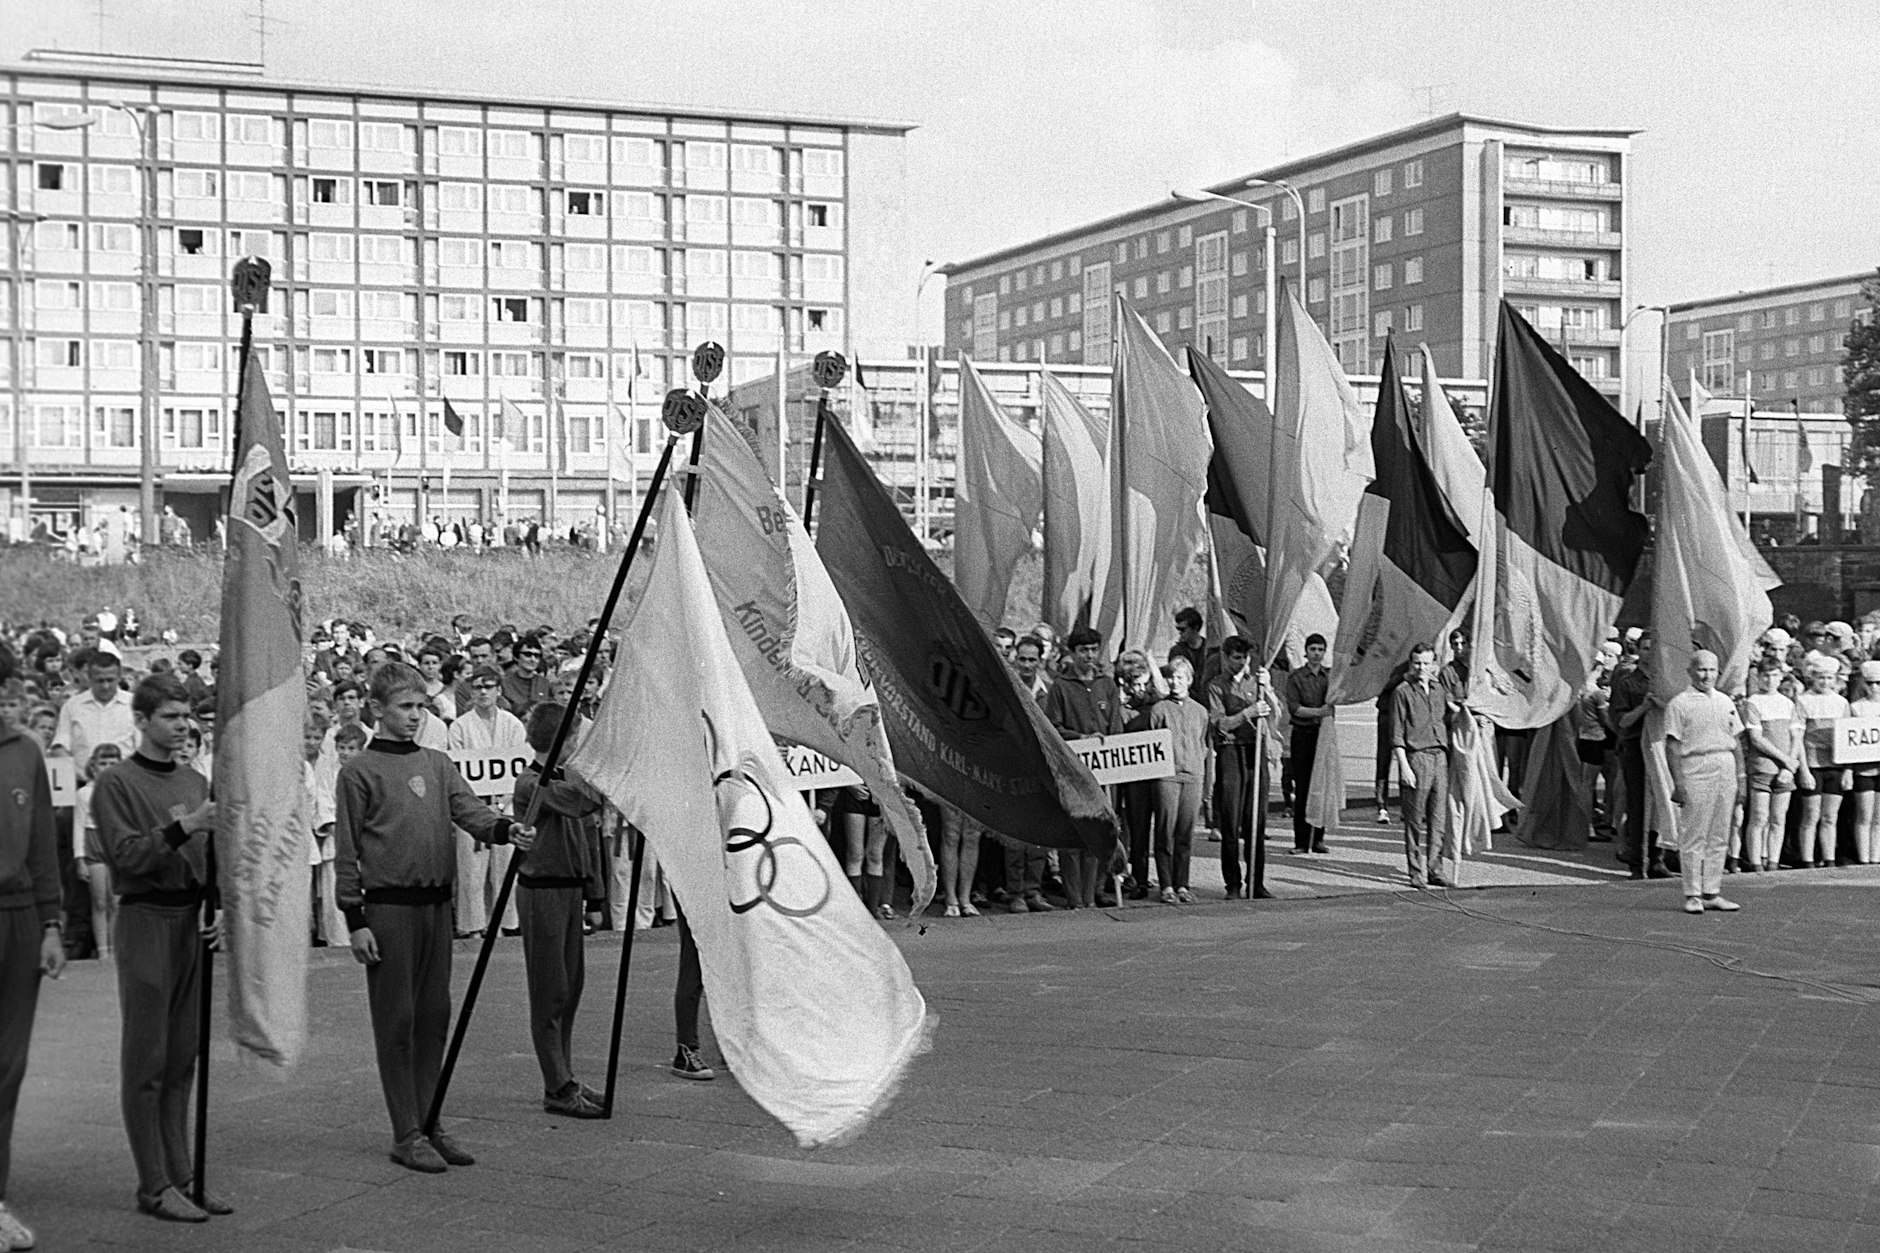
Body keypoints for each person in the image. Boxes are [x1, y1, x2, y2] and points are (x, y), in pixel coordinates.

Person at [334, 662, 535, 1173]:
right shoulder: (358, 770)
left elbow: (470, 811)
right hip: (388, 909)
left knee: (434, 1017)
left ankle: (431, 1118)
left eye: (421, 706)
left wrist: (505, 830)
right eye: (404, 707)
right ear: (377, 710)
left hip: (434, 908)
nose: (415, 716)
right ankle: (405, 1131)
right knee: (396, 1020)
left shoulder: (440, 762)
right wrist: (355, 918)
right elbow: (347, 849)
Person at [90, 673, 223, 1222]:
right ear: (141, 721)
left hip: (190, 921)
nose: (183, 725)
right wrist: (185, 827)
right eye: (170, 716)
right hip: (145, 919)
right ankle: (152, 1184)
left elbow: (211, 851)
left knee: (182, 1055)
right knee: (146, 1058)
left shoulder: (194, 780)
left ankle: (182, 1173)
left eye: (186, 716)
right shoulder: (115, 783)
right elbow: (126, 856)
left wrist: (219, 904)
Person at [513, 703, 608, 1118]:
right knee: (550, 992)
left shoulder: (562, 776)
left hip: (569, 890)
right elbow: (584, 804)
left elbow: (585, 836)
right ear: (563, 742)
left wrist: (594, 894)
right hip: (543, 891)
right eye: (574, 738)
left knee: (570, 988)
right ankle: (556, 1084)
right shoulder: (531, 783)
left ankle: (564, 1073)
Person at [0, 677, 64, 1253]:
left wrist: (50, 925)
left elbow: (43, 843)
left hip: (19, 918)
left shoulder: (25, 752)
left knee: (8, 1065)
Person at [1042, 626, 1123, 909]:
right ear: (1072, 653)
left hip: (1103, 770)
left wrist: (1112, 748)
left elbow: (1116, 725)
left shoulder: (1107, 685)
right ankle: (1074, 899)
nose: (1089, 656)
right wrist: (1081, 739)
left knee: (1096, 835)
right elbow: (1053, 728)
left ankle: (1090, 898)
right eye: (1083, 650)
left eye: (1093, 650)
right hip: (1072, 771)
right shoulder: (1061, 687)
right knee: (1072, 835)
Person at [446, 665, 528, 938]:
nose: (482, 692)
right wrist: (479, 805)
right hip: (473, 807)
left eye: (488, 687)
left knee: (505, 869)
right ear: (470, 691)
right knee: (471, 870)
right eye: (478, 687)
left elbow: (518, 768)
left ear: (498, 691)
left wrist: (504, 800)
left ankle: (506, 924)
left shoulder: (513, 724)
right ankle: (473, 927)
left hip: (507, 804)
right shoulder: (460, 726)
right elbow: (460, 770)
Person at [1664, 651, 1745, 914]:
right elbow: (1673, 745)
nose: (1707, 675)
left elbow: (1737, 742)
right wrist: (1678, 782)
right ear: (1690, 671)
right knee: (1694, 833)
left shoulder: (1725, 701)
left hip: (1725, 764)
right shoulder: (1680, 703)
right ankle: (1693, 893)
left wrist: (1741, 778)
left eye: (1712, 670)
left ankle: (1712, 890)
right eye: (1701, 670)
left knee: (1720, 833)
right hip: (1695, 766)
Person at [1206, 636, 1272, 899]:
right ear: (1225, 657)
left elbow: (1275, 714)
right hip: (1231, 750)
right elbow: (1220, 724)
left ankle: (1256, 882)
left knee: (1256, 821)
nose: (1240, 662)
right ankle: (1232, 884)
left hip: (1255, 750)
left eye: (1244, 658)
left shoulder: (1258, 683)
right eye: (1235, 657)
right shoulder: (1216, 685)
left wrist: (1269, 690)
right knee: (1231, 822)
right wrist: (1247, 713)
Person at [1142, 659, 1208, 902]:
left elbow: (1203, 744)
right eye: (1171, 677)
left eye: (1180, 678)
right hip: (1166, 777)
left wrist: (1203, 778)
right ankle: (1166, 885)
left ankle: (1183, 884)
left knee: (1185, 832)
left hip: (1193, 776)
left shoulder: (1200, 711)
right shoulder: (1159, 709)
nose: (1175, 682)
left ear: (1189, 680)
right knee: (1164, 829)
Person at [1392, 644, 1453, 889]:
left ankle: (1435, 868)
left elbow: (1447, 720)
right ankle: (1416, 871)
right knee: (1414, 819)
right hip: (1416, 758)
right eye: (1417, 663)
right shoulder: (1402, 692)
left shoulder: (1439, 690)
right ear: (1411, 663)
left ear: (1434, 664)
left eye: (1426, 664)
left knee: (1438, 819)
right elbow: (1396, 734)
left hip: (1440, 757)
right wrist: (1404, 767)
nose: (1421, 668)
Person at [1283, 634, 1333, 854]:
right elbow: (1295, 708)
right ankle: (1301, 841)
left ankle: (1318, 838)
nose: (1316, 653)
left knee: (1320, 786)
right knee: (1303, 787)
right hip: (1302, 734)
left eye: (1320, 649)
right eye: (1312, 649)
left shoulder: (1329, 677)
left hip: (1322, 735)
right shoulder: (1296, 677)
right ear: (1306, 651)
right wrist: (1319, 712)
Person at [76, 742, 125, 958]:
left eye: (112, 763)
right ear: (94, 767)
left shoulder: (122, 790)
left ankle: (115, 948)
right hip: (93, 842)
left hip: (114, 843)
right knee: (99, 900)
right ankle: (103, 950)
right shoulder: (84, 793)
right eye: (102, 763)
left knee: (115, 900)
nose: (107, 767)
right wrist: (79, 858)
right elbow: (78, 825)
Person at [1846, 661, 1880, 865]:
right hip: (1863, 769)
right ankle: (1864, 858)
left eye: (1878, 682)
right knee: (1864, 814)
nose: (1874, 687)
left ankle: (1876, 857)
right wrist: (1849, 770)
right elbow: (1847, 743)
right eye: (1870, 683)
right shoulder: (1856, 707)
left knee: (1878, 817)